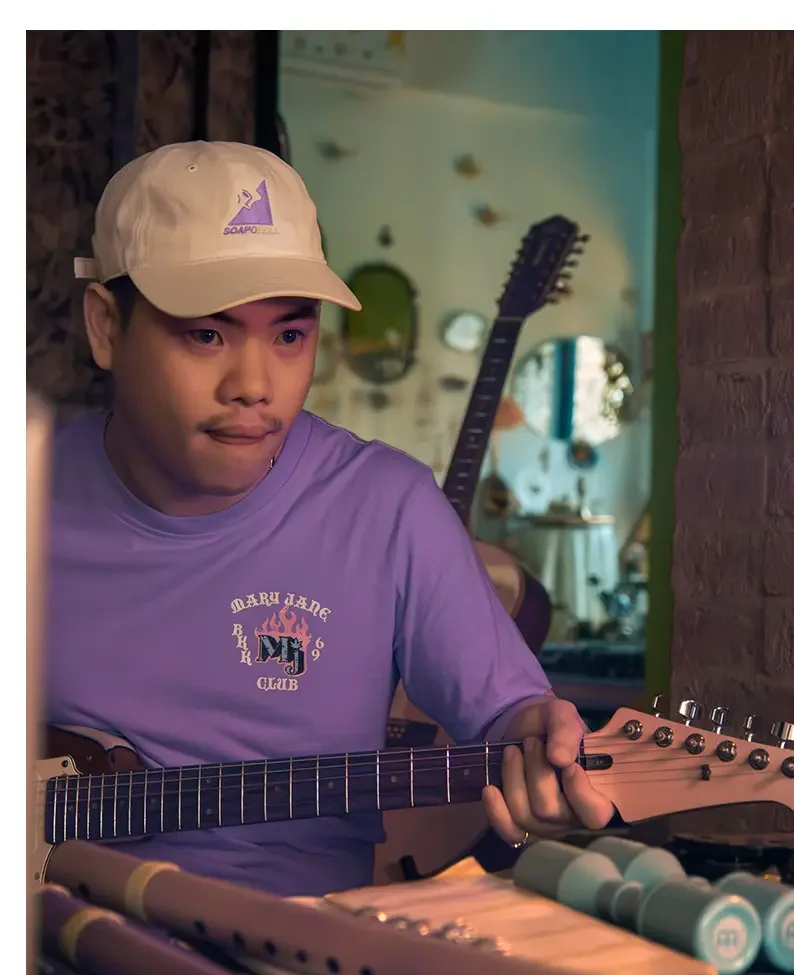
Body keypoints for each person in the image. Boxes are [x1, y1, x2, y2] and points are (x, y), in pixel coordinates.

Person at [46, 141, 613, 897]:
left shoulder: (388, 508)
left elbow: (514, 718)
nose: (254, 386)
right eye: (205, 334)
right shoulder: (25, 494)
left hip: (294, 967)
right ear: (106, 327)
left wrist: (542, 745)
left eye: (289, 335)